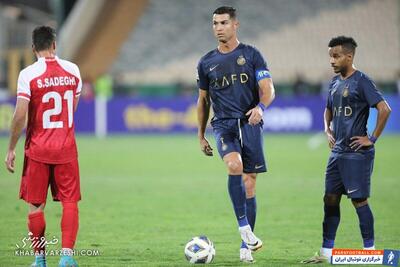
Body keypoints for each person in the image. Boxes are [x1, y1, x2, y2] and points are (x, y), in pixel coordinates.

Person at [302, 36, 391, 264]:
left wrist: (372, 138)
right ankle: (326, 253)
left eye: (336, 56)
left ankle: (370, 251)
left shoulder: (362, 81)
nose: (331, 60)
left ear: (349, 56)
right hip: (337, 152)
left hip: (356, 153)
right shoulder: (334, 82)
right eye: (330, 55)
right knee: (330, 199)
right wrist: (327, 130)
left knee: (358, 201)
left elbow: (384, 109)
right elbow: (327, 110)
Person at [196, 6, 275, 263]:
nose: (218, 27)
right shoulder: (206, 62)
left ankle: (245, 245)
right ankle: (245, 228)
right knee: (234, 165)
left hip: (250, 124)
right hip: (224, 125)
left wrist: (260, 108)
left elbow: (268, 89)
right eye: (215, 23)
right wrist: (200, 135)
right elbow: (203, 101)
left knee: (249, 184)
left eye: (223, 23)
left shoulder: (252, 55)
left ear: (235, 25)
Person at [4, 26, 82, 267]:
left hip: (37, 149)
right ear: (54, 45)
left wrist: (11, 148)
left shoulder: (28, 74)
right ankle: (67, 257)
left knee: (35, 205)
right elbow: (72, 109)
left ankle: (40, 260)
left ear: (33, 48)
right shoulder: (73, 70)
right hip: (66, 148)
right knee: (70, 201)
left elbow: (19, 116)